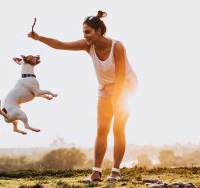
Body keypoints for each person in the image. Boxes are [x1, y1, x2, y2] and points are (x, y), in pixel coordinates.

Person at [28, 10, 138, 182]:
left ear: (99, 32)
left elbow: (122, 77)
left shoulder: (117, 47)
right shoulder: (89, 46)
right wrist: (39, 37)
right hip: (104, 88)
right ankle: (96, 172)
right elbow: (60, 45)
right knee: (102, 130)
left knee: (118, 129)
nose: (85, 36)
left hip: (125, 88)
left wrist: (116, 101)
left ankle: (115, 172)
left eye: (88, 32)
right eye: (83, 33)